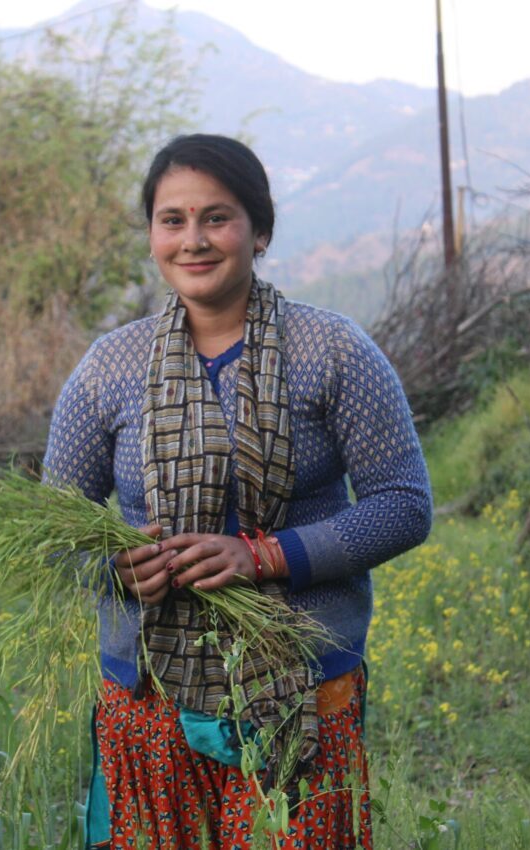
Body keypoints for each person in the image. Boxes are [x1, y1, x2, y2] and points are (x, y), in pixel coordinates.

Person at [43, 134, 432, 849]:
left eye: (216, 218)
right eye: (173, 220)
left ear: (260, 232)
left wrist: (264, 557)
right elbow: (52, 528)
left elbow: (404, 505)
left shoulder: (333, 351)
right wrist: (115, 571)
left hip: (302, 690)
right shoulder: (110, 367)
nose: (193, 240)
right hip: (149, 696)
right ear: (154, 234)